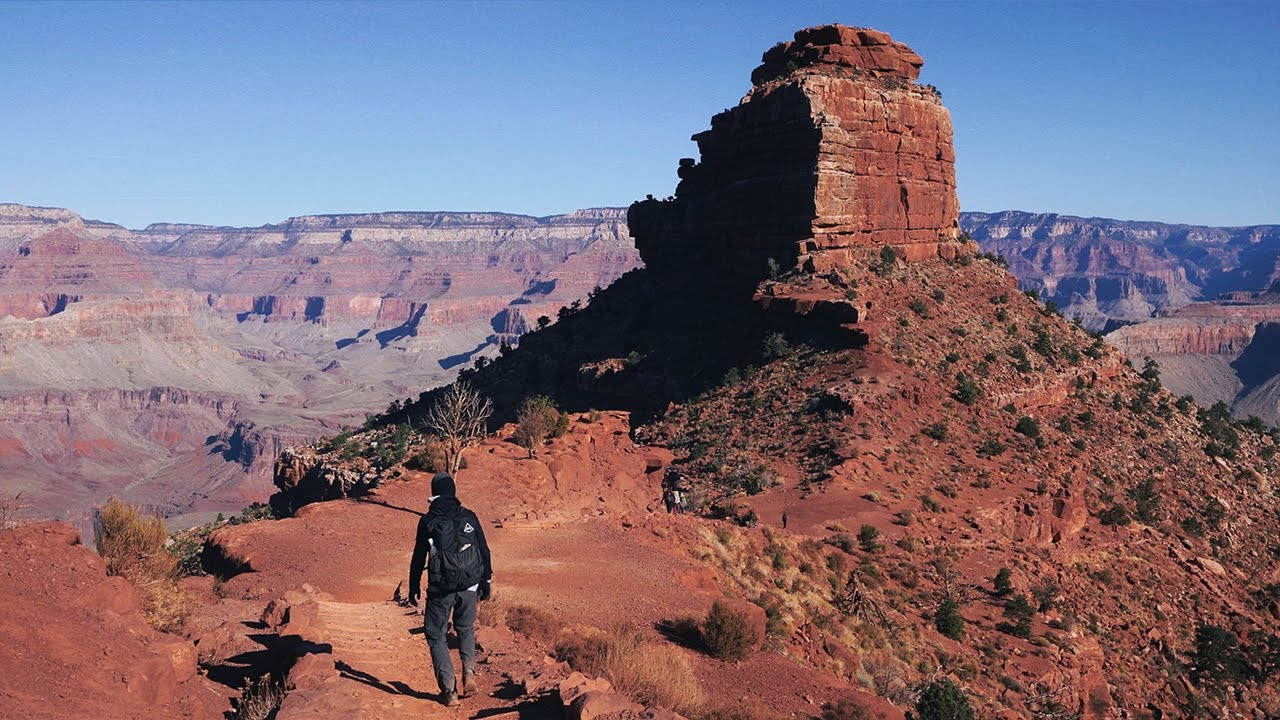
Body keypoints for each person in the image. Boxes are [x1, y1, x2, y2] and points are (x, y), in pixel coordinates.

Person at [408, 472, 492, 707]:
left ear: (433, 492)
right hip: (469, 583)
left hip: (440, 588)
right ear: (453, 492)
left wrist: (414, 585)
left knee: (436, 635)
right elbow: (484, 551)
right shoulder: (469, 516)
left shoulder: (428, 521)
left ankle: (449, 690)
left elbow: (418, 557)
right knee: (465, 627)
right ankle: (469, 672)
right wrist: (486, 581)